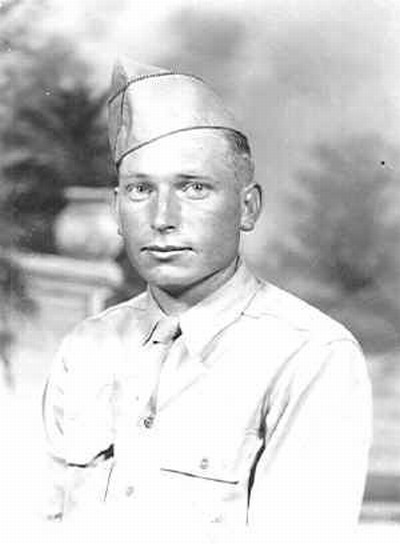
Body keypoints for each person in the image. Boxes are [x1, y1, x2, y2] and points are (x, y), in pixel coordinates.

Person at [42, 57, 372, 543]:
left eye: (194, 188)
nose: (162, 218)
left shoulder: (310, 356)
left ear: (247, 208)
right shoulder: (87, 346)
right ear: (115, 208)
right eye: (140, 189)